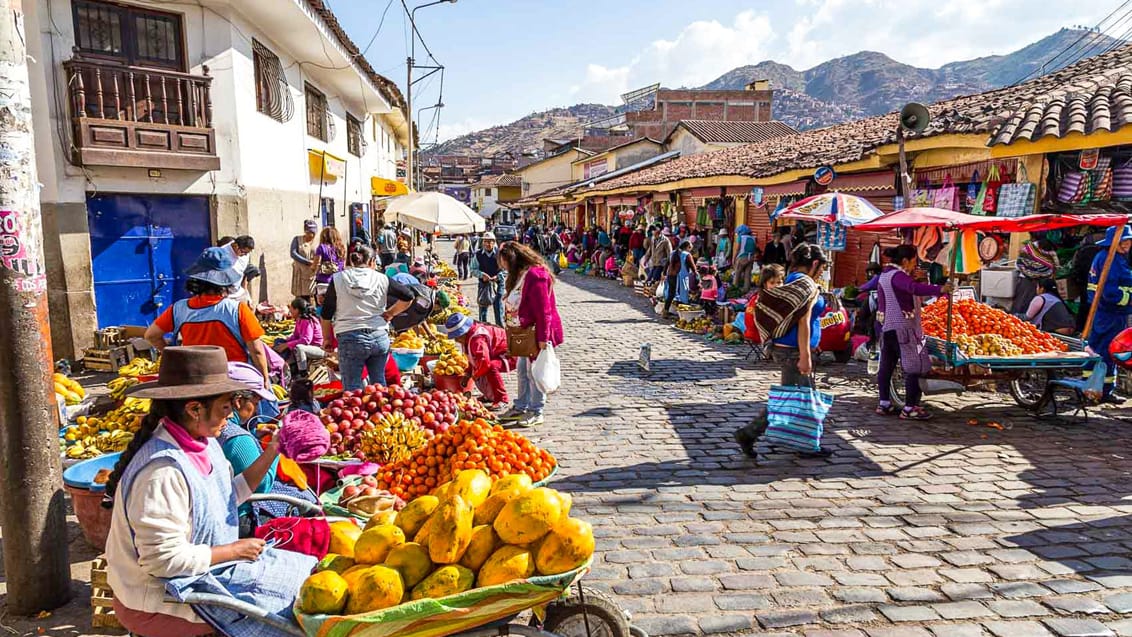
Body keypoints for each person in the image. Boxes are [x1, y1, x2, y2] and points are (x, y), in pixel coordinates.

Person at [103, 346, 315, 637]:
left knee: (305, 577)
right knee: (288, 616)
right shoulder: (162, 472)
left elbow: (227, 497)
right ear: (194, 409)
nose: (230, 414)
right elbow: (162, 562)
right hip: (159, 600)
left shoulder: (205, 443)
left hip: (202, 577)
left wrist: (271, 451)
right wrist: (232, 550)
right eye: (226, 406)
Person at [749, 244, 833, 457]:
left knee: (793, 397)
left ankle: (752, 434)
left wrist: (814, 344)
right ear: (814, 264)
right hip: (793, 351)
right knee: (799, 398)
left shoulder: (793, 279)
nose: (822, 272)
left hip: (793, 348)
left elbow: (799, 317)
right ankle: (802, 444)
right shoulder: (804, 283)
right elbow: (803, 322)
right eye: (821, 267)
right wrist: (805, 356)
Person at [146, 247, 270, 388]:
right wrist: (264, 379)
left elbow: (151, 335)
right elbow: (257, 351)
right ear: (226, 281)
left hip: (194, 380)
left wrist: (174, 355)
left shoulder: (178, 309)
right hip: (233, 381)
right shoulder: (238, 309)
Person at [220, 362, 317, 535]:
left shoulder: (209, 430)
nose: (257, 410)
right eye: (256, 403)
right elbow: (261, 485)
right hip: (241, 518)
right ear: (238, 401)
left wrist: (255, 435)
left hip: (224, 511)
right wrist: (275, 447)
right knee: (308, 503)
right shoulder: (237, 438)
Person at [320, 246, 415, 391]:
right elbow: (408, 296)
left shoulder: (338, 279)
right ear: (371, 261)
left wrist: (327, 339)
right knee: (379, 385)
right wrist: (390, 313)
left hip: (350, 338)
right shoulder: (381, 278)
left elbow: (326, 313)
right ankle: (382, 412)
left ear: (352, 262)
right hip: (379, 337)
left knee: (353, 389)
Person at [875, 245, 950, 420]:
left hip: (888, 328)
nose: (915, 266)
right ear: (905, 261)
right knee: (914, 367)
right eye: (914, 262)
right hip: (904, 329)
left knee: (886, 367)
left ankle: (884, 403)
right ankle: (909, 408)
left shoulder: (885, 275)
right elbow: (913, 289)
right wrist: (940, 289)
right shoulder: (898, 276)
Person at [497, 241, 564, 427]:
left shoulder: (536, 276)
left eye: (503, 261)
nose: (502, 265)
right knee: (522, 370)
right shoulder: (520, 275)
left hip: (536, 332)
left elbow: (544, 311)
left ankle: (536, 410)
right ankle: (521, 405)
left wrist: (543, 338)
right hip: (524, 332)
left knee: (533, 372)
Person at [1086, 225, 1132, 403]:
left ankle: (1092, 388)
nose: (1127, 244)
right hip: (1111, 314)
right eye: (1124, 241)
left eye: (1129, 241)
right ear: (1115, 242)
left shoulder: (1107, 257)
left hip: (1103, 313)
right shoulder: (1110, 260)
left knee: (1097, 349)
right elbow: (1111, 293)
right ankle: (1102, 391)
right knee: (1109, 351)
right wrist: (1129, 298)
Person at [443, 313, 515, 408]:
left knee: (491, 367)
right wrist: (467, 373)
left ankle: (502, 399)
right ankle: (490, 395)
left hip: (512, 354)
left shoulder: (477, 339)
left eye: (457, 337)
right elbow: (472, 358)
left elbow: (484, 363)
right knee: (481, 368)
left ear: (464, 332)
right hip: (495, 354)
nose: (456, 340)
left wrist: (473, 377)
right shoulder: (468, 337)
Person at [273, 298, 325, 375]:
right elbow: (296, 336)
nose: (290, 312)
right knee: (279, 341)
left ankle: (302, 373)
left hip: (317, 348)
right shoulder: (299, 319)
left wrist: (286, 345)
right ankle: (281, 365)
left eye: (291, 310)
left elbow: (306, 340)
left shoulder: (307, 320)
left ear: (297, 310)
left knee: (299, 348)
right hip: (307, 346)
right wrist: (285, 341)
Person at [1012, 238, 1059, 315]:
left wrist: (1035, 272)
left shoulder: (1050, 252)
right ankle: (1016, 318)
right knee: (1022, 301)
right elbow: (1020, 263)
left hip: (1035, 281)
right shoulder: (1029, 249)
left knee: (1030, 302)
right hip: (1027, 280)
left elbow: (1053, 265)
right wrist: (1035, 272)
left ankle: (1025, 319)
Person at [662, 241, 697, 318]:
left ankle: (665, 311)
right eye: (690, 248)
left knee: (671, 294)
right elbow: (693, 267)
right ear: (687, 247)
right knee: (683, 294)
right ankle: (684, 315)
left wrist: (664, 273)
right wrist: (697, 275)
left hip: (670, 275)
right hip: (679, 277)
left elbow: (667, 264)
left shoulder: (673, 253)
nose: (690, 250)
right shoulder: (687, 255)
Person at [476, 232, 504, 326]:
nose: (487, 244)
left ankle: (500, 328)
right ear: (482, 242)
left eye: (490, 241)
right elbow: (472, 269)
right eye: (485, 241)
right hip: (484, 284)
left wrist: (498, 276)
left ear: (494, 242)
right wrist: (481, 275)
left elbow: (506, 269)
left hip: (498, 284)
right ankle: (483, 327)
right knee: (483, 307)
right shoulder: (478, 254)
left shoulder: (500, 254)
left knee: (498, 307)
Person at [311, 227, 345, 301]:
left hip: (323, 281)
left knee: (322, 306)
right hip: (337, 281)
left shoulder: (321, 248)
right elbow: (343, 266)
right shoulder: (341, 248)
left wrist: (312, 269)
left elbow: (316, 265)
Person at [219, 236, 255, 304]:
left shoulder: (245, 255)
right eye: (243, 252)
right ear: (236, 246)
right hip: (226, 296)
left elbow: (243, 273)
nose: (244, 255)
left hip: (239, 292)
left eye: (247, 253)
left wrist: (246, 292)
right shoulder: (222, 253)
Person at [290, 220, 318, 299]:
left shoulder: (317, 242)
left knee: (311, 296)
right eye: (310, 233)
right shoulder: (297, 240)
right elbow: (293, 253)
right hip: (299, 272)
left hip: (311, 274)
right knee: (300, 296)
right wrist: (307, 262)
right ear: (305, 231)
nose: (312, 235)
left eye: (313, 233)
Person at [732, 225, 758, 293]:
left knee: (737, 274)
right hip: (751, 258)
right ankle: (746, 290)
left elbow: (737, 249)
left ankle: (734, 289)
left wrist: (734, 258)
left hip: (742, 257)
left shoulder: (741, 237)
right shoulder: (753, 238)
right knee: (747, 275)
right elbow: (755, 249)